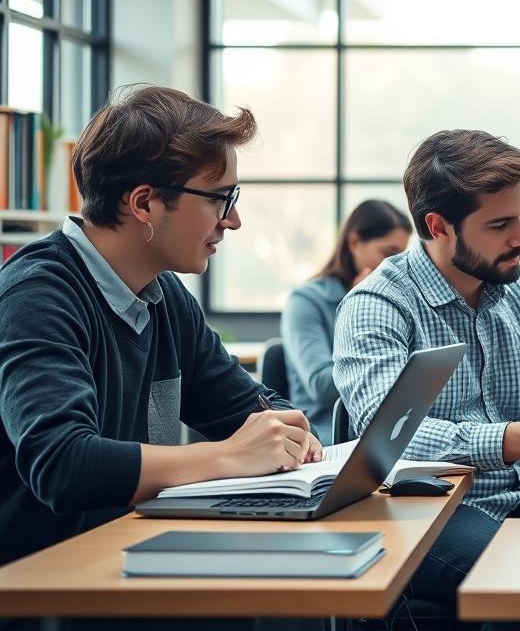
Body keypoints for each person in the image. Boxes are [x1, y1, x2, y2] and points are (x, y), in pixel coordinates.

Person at [0, 85, 321, 566]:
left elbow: (247, 408)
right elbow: (63, 464)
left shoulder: (165, 296)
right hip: (48, 583)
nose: (233, 220)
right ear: (145, 204)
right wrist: (231, 456)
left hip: (133, 561)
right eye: (220, 198)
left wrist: (284, 429)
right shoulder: (37, 295)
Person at [332, 130, 520, 607]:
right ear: (438, 226)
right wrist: (516, 440)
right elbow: (388, 437)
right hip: (425, 514)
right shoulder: (378, 305)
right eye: (500, 225)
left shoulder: (519, 291)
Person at [281, 199, 411, 444]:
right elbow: (319, 386)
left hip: (383, 431)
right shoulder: (306, 301)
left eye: (401, 255)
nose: (394, 264)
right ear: (354, 243)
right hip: (328, 435)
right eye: (387, 253)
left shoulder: (398, 303)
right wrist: (362, 308)